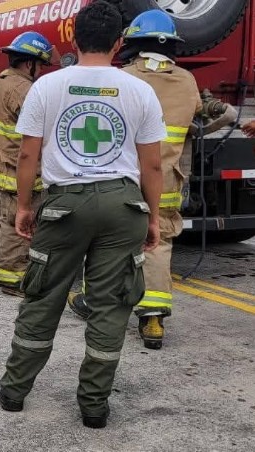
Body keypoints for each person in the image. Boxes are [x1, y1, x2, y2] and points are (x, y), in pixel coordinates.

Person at [0, 1, 164, 429]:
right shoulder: (140, 90)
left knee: (44, 297)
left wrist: (25, 207)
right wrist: (154, 218)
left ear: (73, 38)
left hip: (64, 205)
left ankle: (14, 392)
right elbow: (154, 165)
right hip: (123, 206)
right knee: (110, 307)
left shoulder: (48, 86)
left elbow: (29, 152)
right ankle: (93, 406)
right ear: (119, 43)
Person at [67, 9, 239, 350]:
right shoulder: (187, 81)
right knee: (158, 244)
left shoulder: (125, 77)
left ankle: (91, 301)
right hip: (168, 183)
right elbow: (229, 114)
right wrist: (195, 130)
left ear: (132, 42)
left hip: (124, 178)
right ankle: (153, 320)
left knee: (108, 242)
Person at [0, 31, 55, 297]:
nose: (40, 72)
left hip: (0, 167)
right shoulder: (23, 89)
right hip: (15, 170)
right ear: (29, 63)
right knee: (18, 226)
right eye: (41, 66)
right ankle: (12, 279)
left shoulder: (3, 81)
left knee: (1, 221)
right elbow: (42, 125)